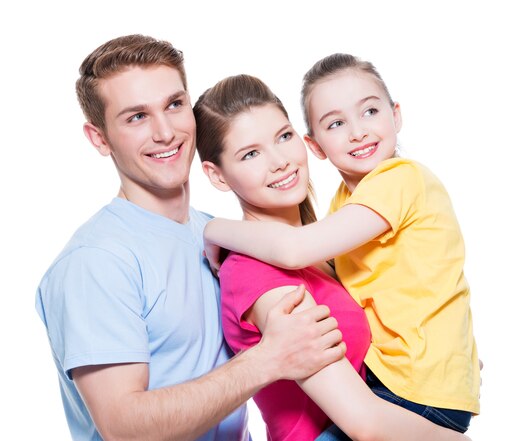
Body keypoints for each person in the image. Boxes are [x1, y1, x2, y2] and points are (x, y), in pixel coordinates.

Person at [35, 35, 347, 441]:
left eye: (174, 104)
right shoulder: (95, 261)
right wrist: (267, 360)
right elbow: (124, 428)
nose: (165, 132)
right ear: (99, 138)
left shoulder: (219, 235)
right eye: (136, 117)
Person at [203, 53, 481, 434]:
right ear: (317, 143)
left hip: (407, 401)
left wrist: (449, 358)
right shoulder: (255, 269)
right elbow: (367, 425)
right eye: (250, 154)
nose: (280, 161)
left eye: (283, 137)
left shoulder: (346, 221)